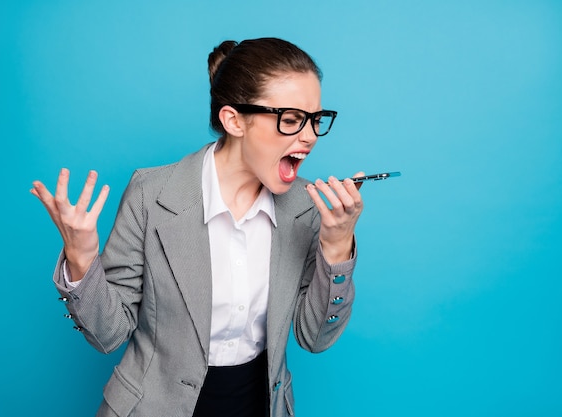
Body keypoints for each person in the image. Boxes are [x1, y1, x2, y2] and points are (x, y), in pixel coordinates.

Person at [31, 37, 364, 417]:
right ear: (233, 120)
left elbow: (315, 337)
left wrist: (337, 246)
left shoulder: (307, 207)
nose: (308, 136)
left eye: (316, 120)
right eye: (291, 120)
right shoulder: (150, 194)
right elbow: (108, 334)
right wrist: (80, 258)